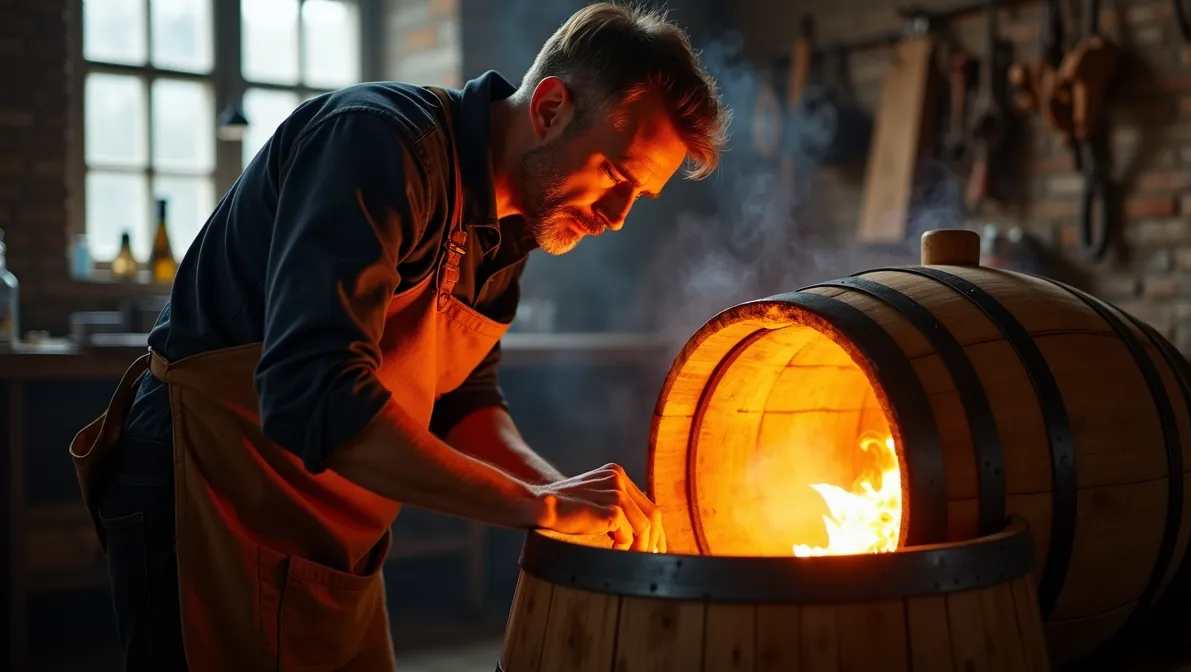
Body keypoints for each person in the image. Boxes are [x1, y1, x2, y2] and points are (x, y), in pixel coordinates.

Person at [68, 3, 729, 669]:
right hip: (209, 495)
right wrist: (534, 505)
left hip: (327, 533)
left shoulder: (512, 225)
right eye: (616, 174)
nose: (616, 218)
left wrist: (561, 493)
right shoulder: (378, 144)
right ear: (551, 107)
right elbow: (315, 395)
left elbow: (463, 400)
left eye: (637, 196)